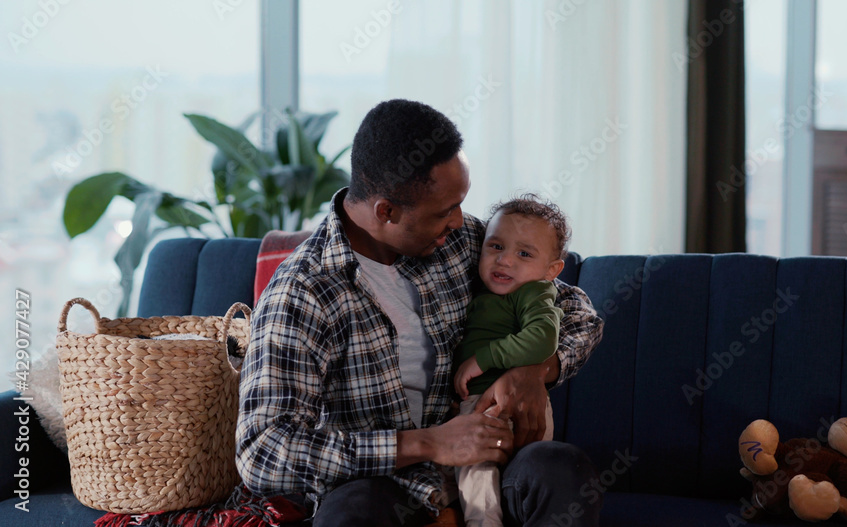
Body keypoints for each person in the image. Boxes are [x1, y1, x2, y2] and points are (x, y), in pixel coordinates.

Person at [236, 99, 604, 527]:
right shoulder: (304, 292)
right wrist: (429, 444)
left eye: (460, 204)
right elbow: (261, 453)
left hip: (493, 458)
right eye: (445, 211)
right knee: (350, 517)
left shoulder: (461, 242)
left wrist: (536, 370)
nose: (460, 220)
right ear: (386, 212)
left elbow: (578, 313)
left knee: (561, 471)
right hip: (384, 484)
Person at [453, 194, 571, 527]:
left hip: (509, 403)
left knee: (473, 468)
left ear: (552, 270)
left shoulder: (534, 292)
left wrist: (483, 359)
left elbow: (543, 339)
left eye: (523, 253)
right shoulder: (489, 292)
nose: (505, 261)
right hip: (480, 403)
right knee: (492, 477)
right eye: (495, 247)